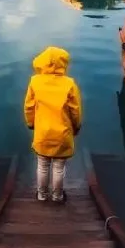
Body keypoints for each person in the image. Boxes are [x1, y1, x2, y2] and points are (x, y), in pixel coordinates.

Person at [24, 45, 82, 203]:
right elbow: (75, 111)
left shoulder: (35, 82)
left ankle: (41, 195)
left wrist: (31, 123)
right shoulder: (69, 84)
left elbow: (29, 107)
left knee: (42, 166)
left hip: (42, 133)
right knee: (58, 168)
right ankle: (58, 196)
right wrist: (76, 127)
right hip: (62, 134)